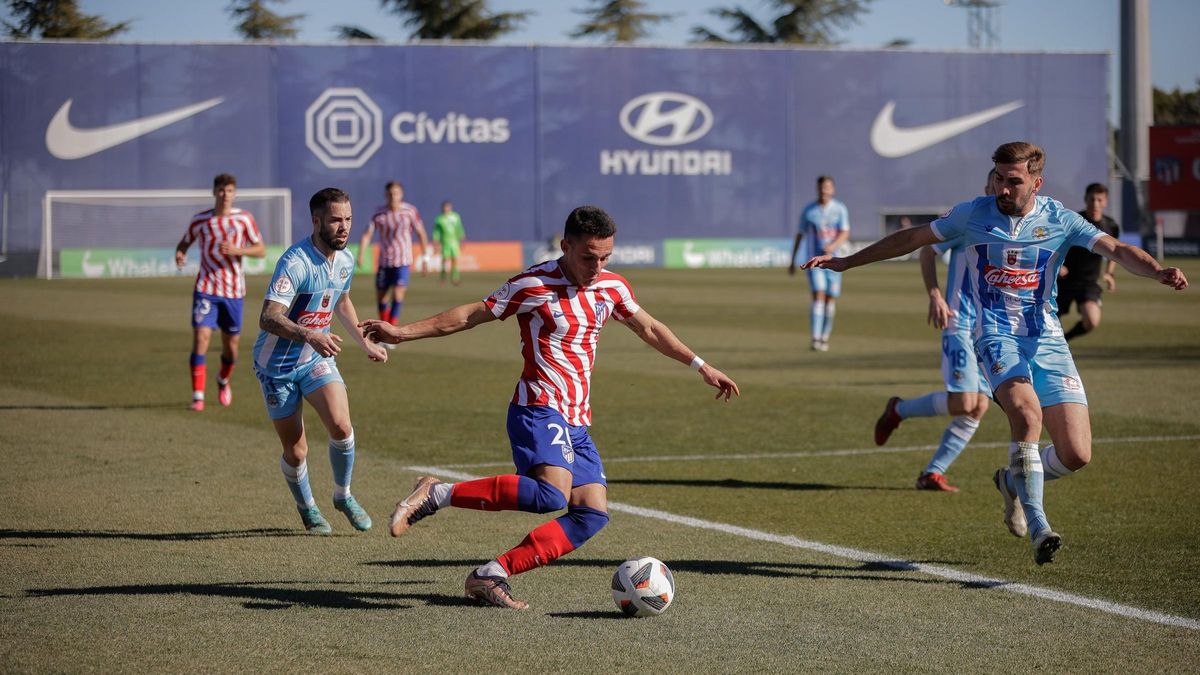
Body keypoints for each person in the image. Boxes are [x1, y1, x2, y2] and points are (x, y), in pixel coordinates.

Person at [803, 142, 1187, 565]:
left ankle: (1011, 482)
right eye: (1000, 179)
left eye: (1014, 181)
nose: (1003, 189)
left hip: (1049, 341)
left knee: (1077, 453)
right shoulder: (973, 213)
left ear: (1036, 183)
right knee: (1027, 414)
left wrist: (1156, 270)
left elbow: (1116, 249)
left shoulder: (1059, 219)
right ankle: (1039, 525)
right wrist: (848, 261)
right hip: (996, 337)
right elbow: (913, 238)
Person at [360, 205, 740, 609]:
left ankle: (490, 575)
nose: (597, 266)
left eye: (605, 257)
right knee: (551, 494)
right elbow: (470, 315)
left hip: (576, 420)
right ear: (566, 246)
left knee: (591, 514)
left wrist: (700, 365)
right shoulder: (534, 283)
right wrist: (402, 332)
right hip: (537, 407)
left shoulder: (613, 288)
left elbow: (649, 327)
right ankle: (438, 493)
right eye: (588, 256)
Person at [253, 188, 388, 534]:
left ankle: (343, 495)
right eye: (335, 220)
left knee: (342, 426)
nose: (344, 227)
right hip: (277, 367)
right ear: (316, 221)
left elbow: (341, 300)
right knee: (296, 451)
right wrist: (311, 334)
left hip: (314, 358)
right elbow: (268, 318)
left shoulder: (345, 259)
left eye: (348, 220)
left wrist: (364, 342)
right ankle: (308, 508)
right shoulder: (295, 263)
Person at [875, 170, 998, 492]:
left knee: (979, 407)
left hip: (992, 330)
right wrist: (935, 295)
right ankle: (898, 409)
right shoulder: (970, 221)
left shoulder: (1014, 228)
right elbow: (928, 250)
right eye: (995, 183)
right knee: (962, 403)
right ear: (988, 186)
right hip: (959, 320)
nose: (1000, 190)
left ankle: (932, 473)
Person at [175, 173, 266, 411]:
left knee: (231, 347)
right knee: (201, 339)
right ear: (214, 192)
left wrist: (238, 250)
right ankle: (198, 396)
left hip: (234, 292)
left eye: (230, 191)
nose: (226, 195)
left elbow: (260, 250)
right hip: (206, 288)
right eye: (222, 190)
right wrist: (180, 253)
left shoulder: (244, 219)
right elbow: (184, 242)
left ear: (235, 194)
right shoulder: (200, 220)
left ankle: (223, 380)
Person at [788, 175, 850, 351]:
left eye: (828, 187)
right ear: (817, 189)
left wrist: (833, 245)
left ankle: (824, 337)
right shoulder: (809, 210)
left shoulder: (839, 209)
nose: (824, 190)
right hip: (814, 262)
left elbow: (845, 232)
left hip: (835, 261)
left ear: (833, 189)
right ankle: (815, 338)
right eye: (822, 187)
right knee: (819, 295)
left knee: (830, 299)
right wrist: (792, 260)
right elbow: (800, 234)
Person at [357, 181, 429, 331]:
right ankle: (384, 328)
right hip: (384, 261)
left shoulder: (409, 211)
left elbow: (421, 233)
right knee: (382, 297)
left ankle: (392, 328)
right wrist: (361, 254)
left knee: (397, 295)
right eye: (390, 194)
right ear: (385, 195)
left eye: (396, 193)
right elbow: (367, 234)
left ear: (401, 194)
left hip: (403, 261)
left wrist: (425, 257)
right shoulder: (379, 213)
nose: (393, 197)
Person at [1058, 183, 1121, 341]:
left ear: (1105, 202)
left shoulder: (1111, 226)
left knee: (1092, 320)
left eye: (1099, 200)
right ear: (1085, 199)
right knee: (1046, 322)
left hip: (1088, 282)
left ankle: (1065, 340)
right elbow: (1057, 246)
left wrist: (1109, 273)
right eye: (1092, 199)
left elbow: (1115, 252)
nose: (1095, 204)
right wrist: (1059, 265)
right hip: (1064, 280)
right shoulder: (1074, 221)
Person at [432, 200, 467, 285]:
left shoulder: (455, 217)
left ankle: (455, 278)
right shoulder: (439, 219)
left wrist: (462, 238)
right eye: (445, 207)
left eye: (448, 207)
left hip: (454, 242)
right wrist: (435, 242)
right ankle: (443, 279)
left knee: (455, 260)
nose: (446, 209)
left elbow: (459, 228)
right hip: (445, 242)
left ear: (450, 208)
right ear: (442, 208)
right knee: (444, 261)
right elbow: (436, 232)